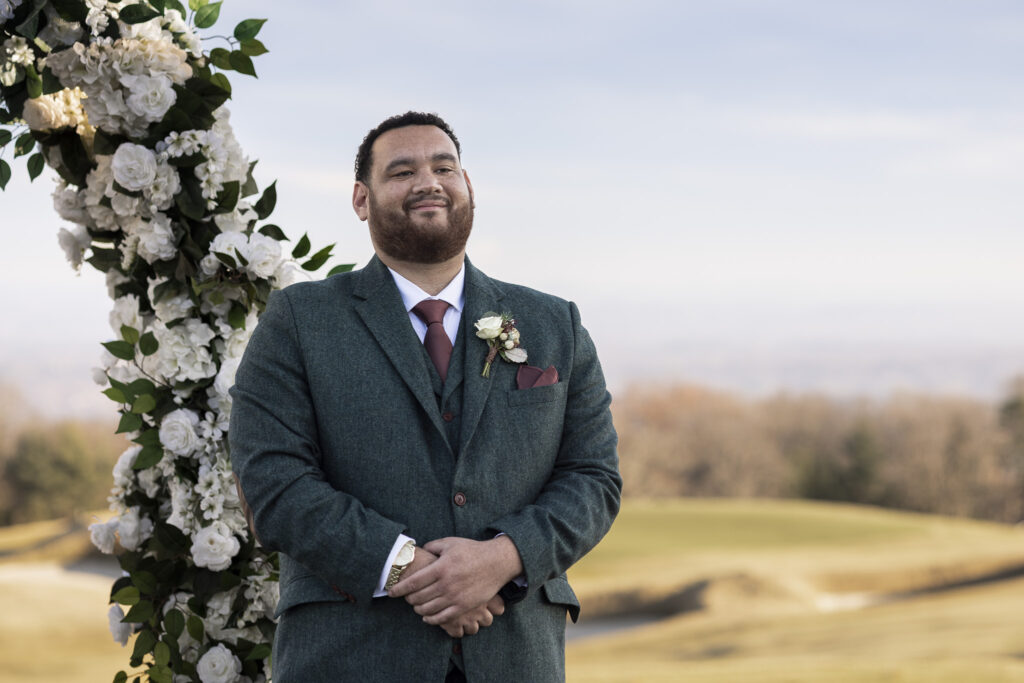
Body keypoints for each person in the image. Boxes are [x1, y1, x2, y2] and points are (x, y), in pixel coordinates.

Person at [229, 111, 621, 682]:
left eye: (444, 167)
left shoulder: (553, 322)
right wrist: (408, 567)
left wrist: (502, 559)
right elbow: (273, 484)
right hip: (350, 655)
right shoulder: (299, 321)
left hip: (515, 655)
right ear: (362, 200)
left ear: (469, 189)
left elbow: (594, 478)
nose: (428, 181)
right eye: (402, 170)